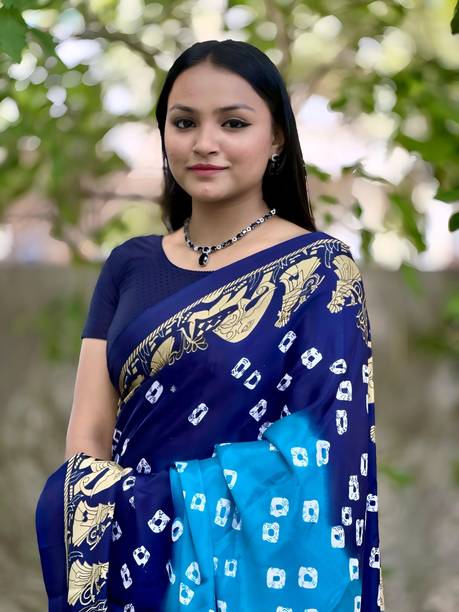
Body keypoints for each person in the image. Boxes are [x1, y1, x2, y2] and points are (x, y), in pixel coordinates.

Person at [35, 39, 384, 611]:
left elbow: (323, 454)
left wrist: (172, 507)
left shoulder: (320, 271)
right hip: (128, 574)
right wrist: (113, 509)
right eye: (184, 122)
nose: (204, 143)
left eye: (233, 123)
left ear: (276, 138)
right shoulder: (129, 266)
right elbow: (89, 439)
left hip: (257, 584)